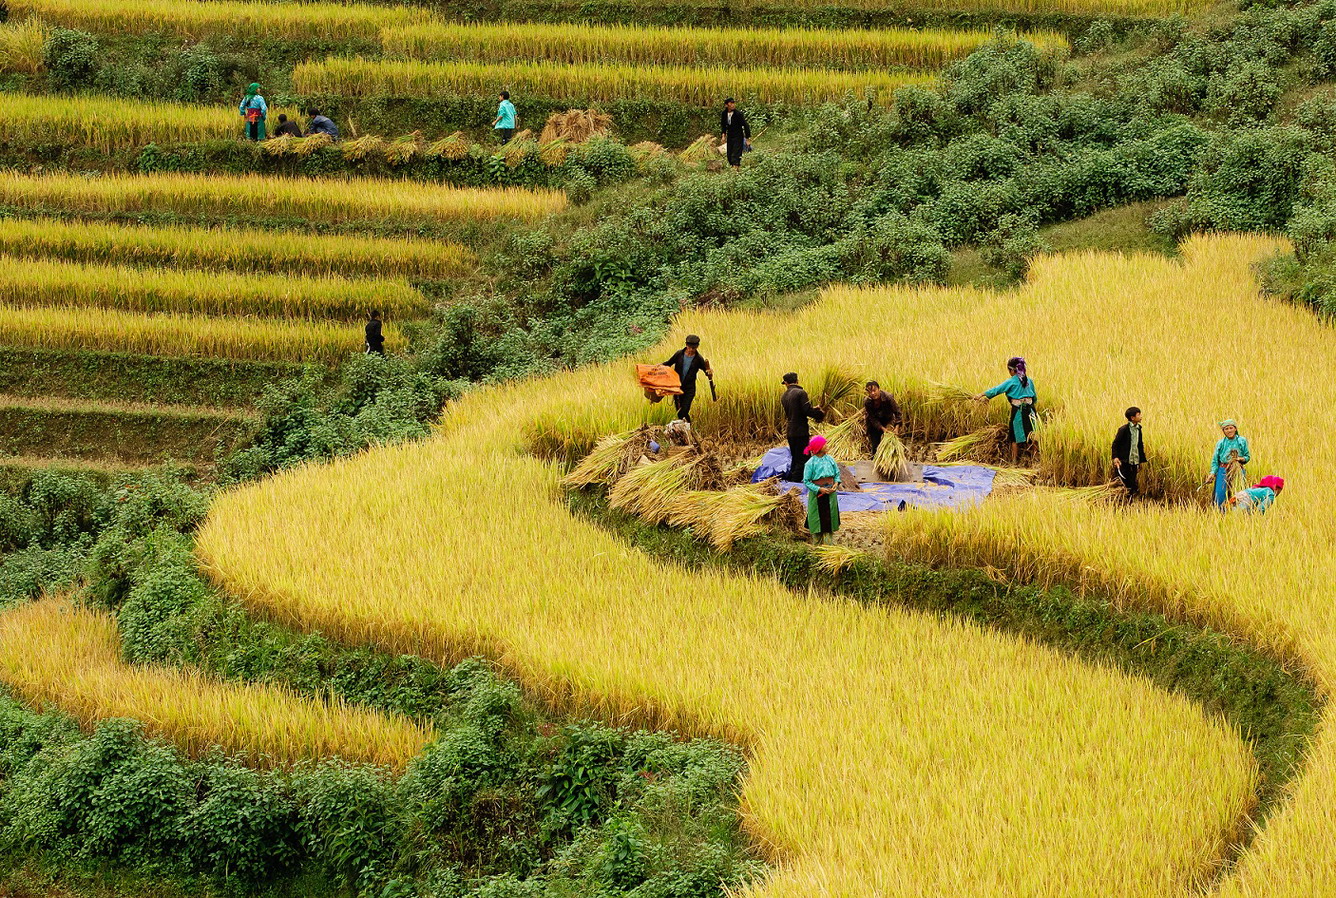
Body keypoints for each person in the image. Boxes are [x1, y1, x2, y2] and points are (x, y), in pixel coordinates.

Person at [975, 356, 1036, 464]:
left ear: (1013, 370)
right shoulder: (1029, 381)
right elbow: (1034, 397)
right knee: (1033, 435)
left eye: (1009, 370)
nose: (1009, 372)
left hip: (1019, 411)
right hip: (1031, 411)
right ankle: (1035, 460)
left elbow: (997, 390)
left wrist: (981, 395)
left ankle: (1014, 462)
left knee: (1014, 437)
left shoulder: (1012, 381)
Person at [781, 372, 824, 483]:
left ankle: (793, 479)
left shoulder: (784, 396)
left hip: (790, 431)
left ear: (786, 383)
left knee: (795, 458)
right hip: (800, 431)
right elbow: (806, 411)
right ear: (797, 381)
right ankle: (795, 483)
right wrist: (819, 413)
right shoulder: (801, 393)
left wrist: (813, 409)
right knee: (803, 458)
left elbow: (797, 411)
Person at [661, 335, 713, 423]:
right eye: (690, 347)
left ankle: (688, 429)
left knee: (684, 411)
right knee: (680, 413)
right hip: (677, 387)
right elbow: (668, 363)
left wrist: (709, 372)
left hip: (689, 389)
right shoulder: (679, 354)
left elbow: (706, 371)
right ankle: (688, 429)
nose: (691, 350)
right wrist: (657, 367)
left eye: (694, 348)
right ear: (686, 345)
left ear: (697, 347)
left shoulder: (698, 359)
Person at [802, 435, 841, 545]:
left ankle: (829, 549)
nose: (827, 446)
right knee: (817, 521)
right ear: (819, 447)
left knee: (829, 521)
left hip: (830, 494)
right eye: (825, 444)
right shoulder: (810, 463)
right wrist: (819, 489)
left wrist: (836, 483)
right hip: (817, 495)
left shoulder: (830, 459)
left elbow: (837, 473)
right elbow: (807, 481)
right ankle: (817, 549)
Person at [1210, 419, 1251, 509]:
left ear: (1235, 429)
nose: (1229, 431)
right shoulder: (1220, 443)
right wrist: (1212, 473)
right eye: (1226, 429)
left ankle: (1238, 512)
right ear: (1223, 431)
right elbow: (1215, 460)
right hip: (1223, 469)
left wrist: (1240, 459)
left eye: (1231, 428)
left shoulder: (1242, 441)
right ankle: (1220, 513)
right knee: (1220, 493)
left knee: (1239, 493)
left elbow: (1247, 456)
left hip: (1238, 469)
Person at [1111, 406, 1147, 499]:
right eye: (1139, 415)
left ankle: (1129, 502)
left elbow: (1139, 445)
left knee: (1132, 483)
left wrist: (1141, 460)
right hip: (1124, 462)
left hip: (1134, 461)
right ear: (1132, 418)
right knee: (1122, 483)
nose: (1141, 416)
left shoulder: (1139, 429)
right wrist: (1115, 458)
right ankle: (1120, 501)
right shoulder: (1124, 429)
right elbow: (1115, 444)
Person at [863, 381, 902, 456]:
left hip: (887, 420)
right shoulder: (867, 402)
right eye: (870, 392)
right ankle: (875, 461)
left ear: (879, 389)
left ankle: (888, 463)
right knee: (875, 447)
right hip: (875, 425)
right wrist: (882, 429)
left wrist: (896, 427)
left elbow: (898, 412)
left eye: (874, 390)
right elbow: (872, 418)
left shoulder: (888, 397)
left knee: (889, 445)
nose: (873, 393)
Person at [719, 97, 751, 169]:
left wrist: (748, 138)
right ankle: (736, 169)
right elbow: (723, 125)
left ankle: (735, 171)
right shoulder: (724, 114)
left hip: (738, 136)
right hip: (730, 136)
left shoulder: (738, 114)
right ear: (726, 105)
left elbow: (745, 125)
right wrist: (723, 135)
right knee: (729, 155)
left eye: (733, 103)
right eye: (731, 103)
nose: (733, 105)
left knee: (736, 154)